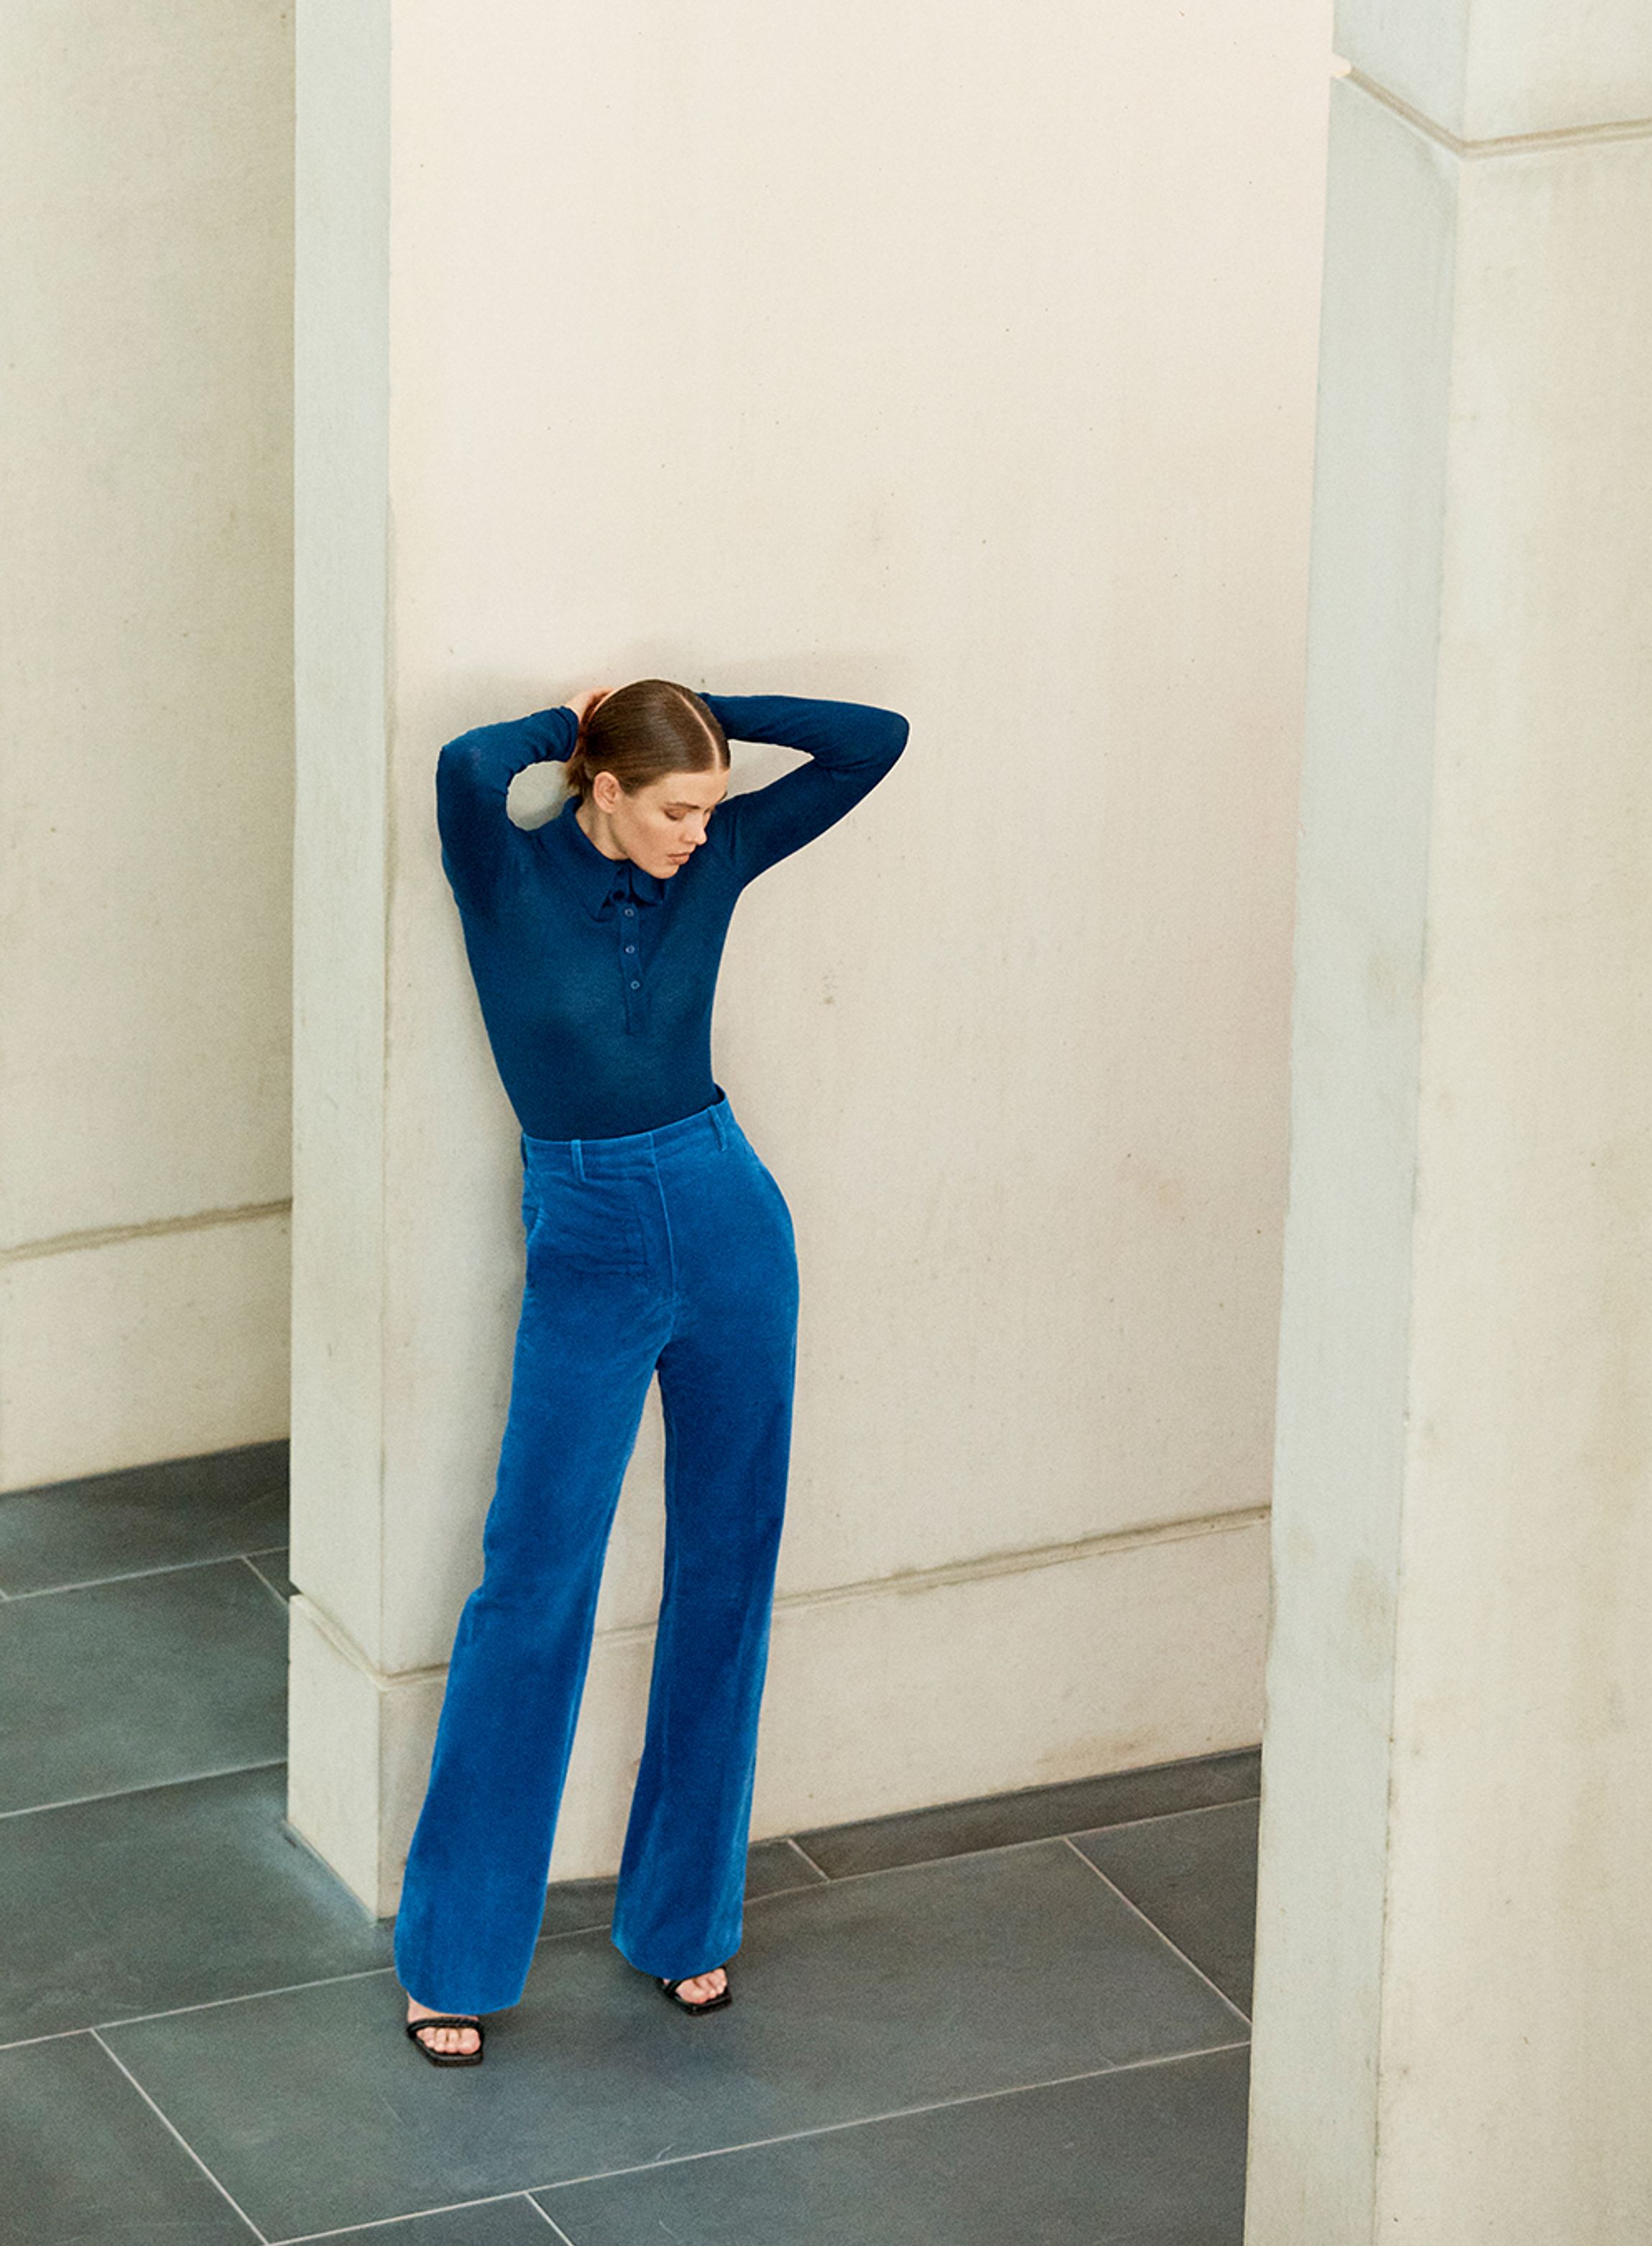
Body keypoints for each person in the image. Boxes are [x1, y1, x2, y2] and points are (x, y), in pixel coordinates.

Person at [394, 677, 908, 2065]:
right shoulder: (501, 866)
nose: (701, 831)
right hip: (592, 1233)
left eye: (710, 807)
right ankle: (455, 1953)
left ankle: (685, 1920)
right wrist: (585, 718)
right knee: (536, 1578)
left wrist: (696, 704)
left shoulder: (720, 850)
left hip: (729, 1211)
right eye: (676, 806)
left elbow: (877, 741)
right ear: (602, 791)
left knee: (729, 1562)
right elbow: (461, 761)